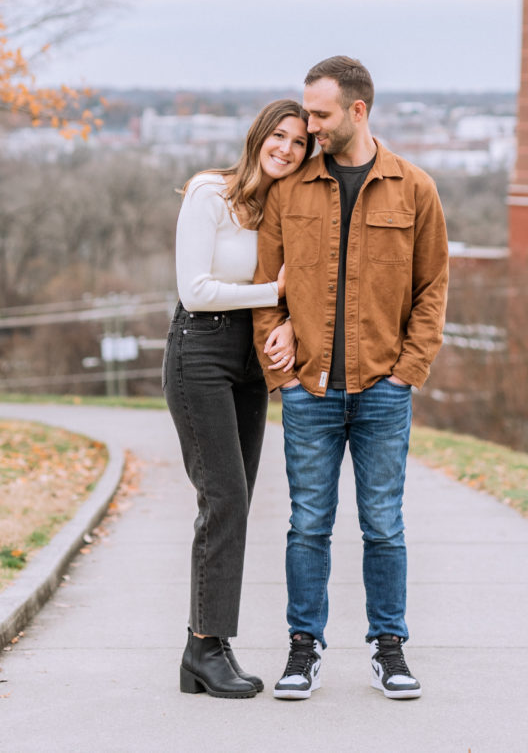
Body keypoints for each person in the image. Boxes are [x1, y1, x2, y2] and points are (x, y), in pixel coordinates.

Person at [253, 56, 448, 701]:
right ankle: (302, 650)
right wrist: (277, 368)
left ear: (357, 111)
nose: (308, 125)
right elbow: (266, 290)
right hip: (308, 389)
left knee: (383, 524)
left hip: (382, 393)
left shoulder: (413, 188)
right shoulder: (290, 190)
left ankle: (388, 647)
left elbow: (432, 289)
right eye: (307, 111)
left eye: (319, 114)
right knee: (308, 523)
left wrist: (407, 372)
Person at [165, 99, 309, 699]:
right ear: (258, 136)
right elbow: (195, 291)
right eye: (279, 136)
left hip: (251, 359)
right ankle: (205, 647)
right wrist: (270, 291)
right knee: (222, 497)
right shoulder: (210, 194)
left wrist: (286, 317)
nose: (287, 149)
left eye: (300, 143)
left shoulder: (281, 206)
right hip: (200, 352)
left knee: (238, 500)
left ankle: (206, 647)